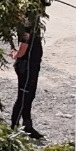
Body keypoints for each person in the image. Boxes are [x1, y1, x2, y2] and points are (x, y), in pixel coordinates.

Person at [9, 10, 44, 139]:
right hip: (27, 67)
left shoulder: (31, 27)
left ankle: (27, 125)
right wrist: (14, 54)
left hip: (32, 66)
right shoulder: (26, 28)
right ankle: (14, 126)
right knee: (24, 96)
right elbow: (22, 51)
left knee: (29, 96)